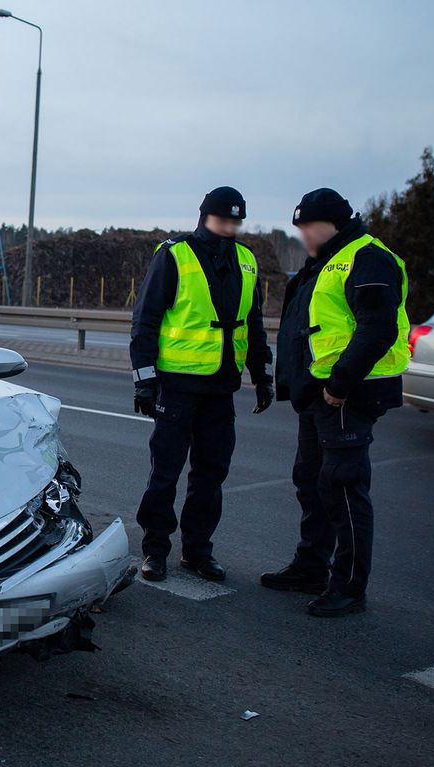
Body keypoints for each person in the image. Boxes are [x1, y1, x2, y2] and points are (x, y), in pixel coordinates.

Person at [260, 189, 410, 617]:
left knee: (343, 486)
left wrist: (340, 384)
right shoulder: (323, 262)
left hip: (348, 392)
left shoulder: (368, 257)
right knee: (311, 480)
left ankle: (349, 586)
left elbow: (376, 327)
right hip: (319, 392)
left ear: (333, 222)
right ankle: (310, 567)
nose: (304, 234)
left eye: (308, 226)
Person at [131, 187, 274, 583]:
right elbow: (146, 319)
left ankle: (197, 552)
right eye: (223, 219)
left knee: (211, 476)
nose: (230, 226)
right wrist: (144, 380)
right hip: (177, 387)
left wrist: (262, 375)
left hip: (220, 389)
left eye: (235, 220)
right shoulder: (174, 255)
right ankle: (155, 550)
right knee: (165, 474)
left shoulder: (246, 260)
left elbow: (254, 323)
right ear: (205, 216)